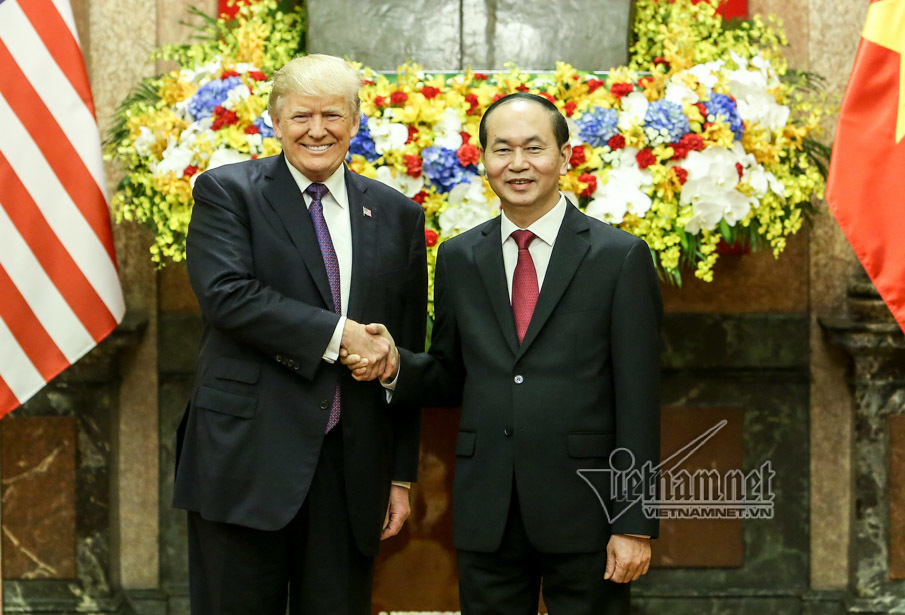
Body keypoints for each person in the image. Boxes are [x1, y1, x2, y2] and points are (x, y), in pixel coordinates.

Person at [345, 92, 662, 614]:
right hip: (487, 508)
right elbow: (450, 375)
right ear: (484, 160)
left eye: (534, 148)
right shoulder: (459, 257)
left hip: (587, 509)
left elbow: (639, 399)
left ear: (564, 157)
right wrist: (395, 363)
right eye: (502, 149)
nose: (518, 164)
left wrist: (633, 522)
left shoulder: (618, 257)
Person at [172, 54, 427, 615]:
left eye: (332, 115)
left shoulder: (397, 214)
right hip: (245, 459)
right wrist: (342, 336)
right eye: (301, 116)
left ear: (355, 121)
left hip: (350, 469)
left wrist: (400, 476)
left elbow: (404, 353)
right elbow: (227, 296)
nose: (317, 130)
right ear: (275, 120)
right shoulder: (227, 193)